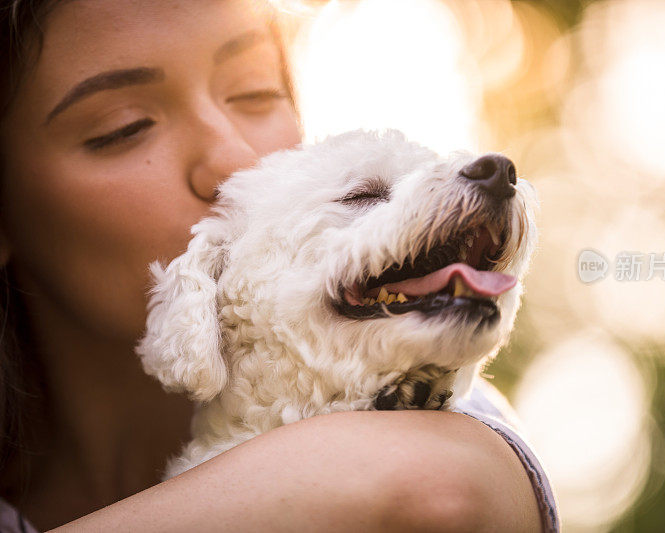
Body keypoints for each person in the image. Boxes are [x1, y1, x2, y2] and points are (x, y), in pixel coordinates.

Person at [0, 0, 559, 531]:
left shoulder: (446, 408)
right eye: (122, 127)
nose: (237, 156)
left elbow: (435, 492)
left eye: (254, 90)